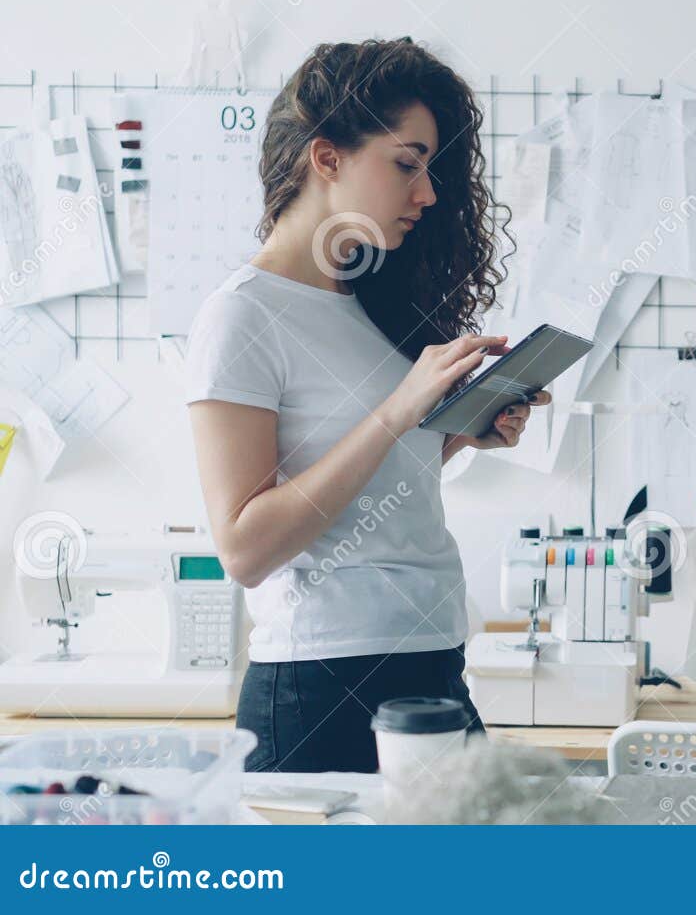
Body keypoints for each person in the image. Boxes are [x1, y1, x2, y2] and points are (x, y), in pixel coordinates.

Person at [185, 38, 550, 773]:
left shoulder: (371, 302)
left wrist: (455, 433)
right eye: (407, 164)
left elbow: (369, 489)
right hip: (322, 688)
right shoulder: (242, 316)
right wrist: (395, 410)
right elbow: (245, 549)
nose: (428, 194)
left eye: (431, 169)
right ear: (327, 159)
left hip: (435, 662)